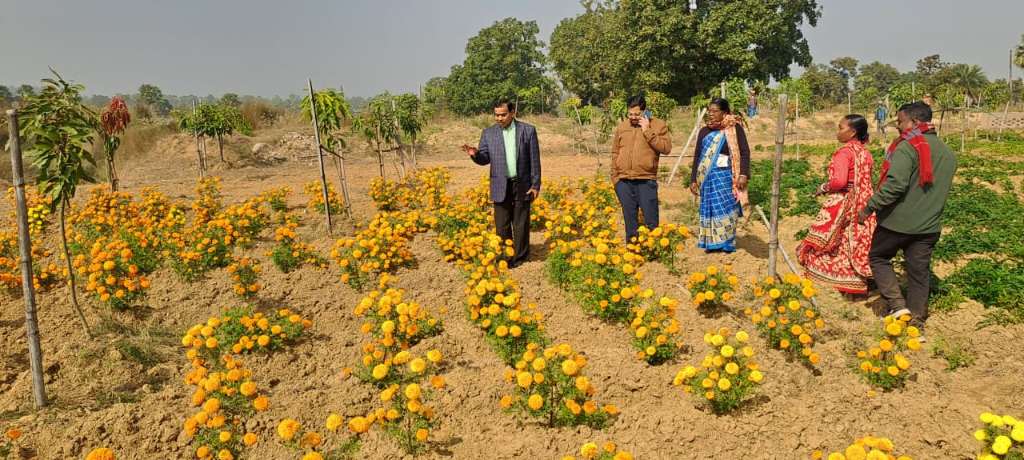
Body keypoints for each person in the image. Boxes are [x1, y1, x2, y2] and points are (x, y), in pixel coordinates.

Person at [858, 101, 957, 330]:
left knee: (878, 257)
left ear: (915, 122)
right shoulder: (947, 152)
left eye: (901, 122)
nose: (898, 127)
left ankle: (897, 304)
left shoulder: (908, 147)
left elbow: (895, 186)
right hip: (929, 228)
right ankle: (917, 321)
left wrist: (869, 208)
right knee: (919, 273)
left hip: (897, 223)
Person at [797, 115, 877, 295]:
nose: (838, 132)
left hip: (846, 200)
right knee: (855, 239)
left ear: (852, 132)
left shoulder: (844, 153)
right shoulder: (865, 152)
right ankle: (858, 279)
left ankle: (834, 277)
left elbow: (839, 182)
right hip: (865, 202)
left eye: (841, 128)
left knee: (833, 239)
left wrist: (824, 187)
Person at [461, 99, 542, 268]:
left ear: (512, 113)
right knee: (502, 224)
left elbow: (535, 160)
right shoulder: (488, 133)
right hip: (500, 184)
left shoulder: (528, 131)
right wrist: (474, 154)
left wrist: (535, 185)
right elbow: (484, 159)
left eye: (503, 115)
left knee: (521, 223)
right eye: (496, 115)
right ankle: (506, 256)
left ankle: (520, 258)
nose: (499, 118)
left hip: (522, 183)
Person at [690, 98, 750, 253]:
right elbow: (697, 156)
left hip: (725, 177)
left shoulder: (734, 128)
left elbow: (744, 152)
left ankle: (727, 242)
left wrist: (743, 174)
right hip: (707, 178)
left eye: (715, 111)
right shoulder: (704, 131)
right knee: (710, 208)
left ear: (724, 113)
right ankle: (711, 242)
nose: (711, 114)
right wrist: (693, 180)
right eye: (709, 111)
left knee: (727, 207)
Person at [610, 95, 672, 242]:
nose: (633, 117)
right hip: (623, 181)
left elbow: (666, 148)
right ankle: (633, 252)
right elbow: (615, 151)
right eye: (630, 114)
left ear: (644, 111)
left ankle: (653, 250)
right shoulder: (622, 127)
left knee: (651, 219)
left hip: (646, 180)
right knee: (630, 221)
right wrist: (615, 178)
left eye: (637, 114)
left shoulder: (657, 125)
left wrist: (647, 131)